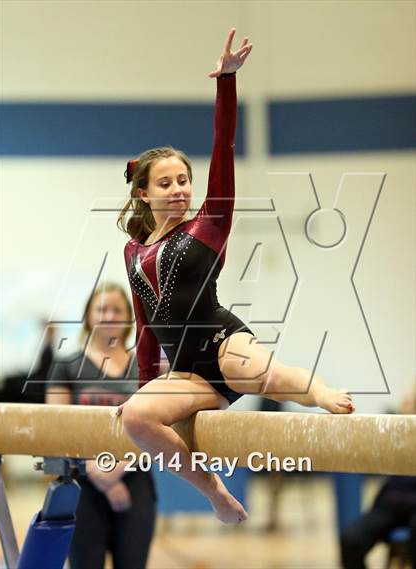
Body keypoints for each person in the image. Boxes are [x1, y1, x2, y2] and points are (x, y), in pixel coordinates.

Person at [116, 28, 354, 525]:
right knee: (137, 418)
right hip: (185, 373)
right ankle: (212, 490)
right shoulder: (133, 253)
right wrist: (143, 387)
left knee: (270, 376)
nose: (180, 189)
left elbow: (222, 144)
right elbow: (144, 331)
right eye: (166, 183)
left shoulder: (210, 224)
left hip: (224, 344)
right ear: (143, 193)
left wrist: (226, 82)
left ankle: (323, 392)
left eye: (184, 180)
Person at [46, 282, 156, 569]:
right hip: (82, 482)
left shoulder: (146, 369)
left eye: (117, 309)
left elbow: (158, 426)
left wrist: (117, 469)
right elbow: (56, 428)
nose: (109, 315)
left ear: (129, 317)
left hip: (134, 480)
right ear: (88, 316)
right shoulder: (66, 366)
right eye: (102, 309)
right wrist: (99, 474)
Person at [340, 386, 416, 569]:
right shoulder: (397, 429)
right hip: (390, 504)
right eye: (407, 402)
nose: (407, 405)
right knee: (351, 538)